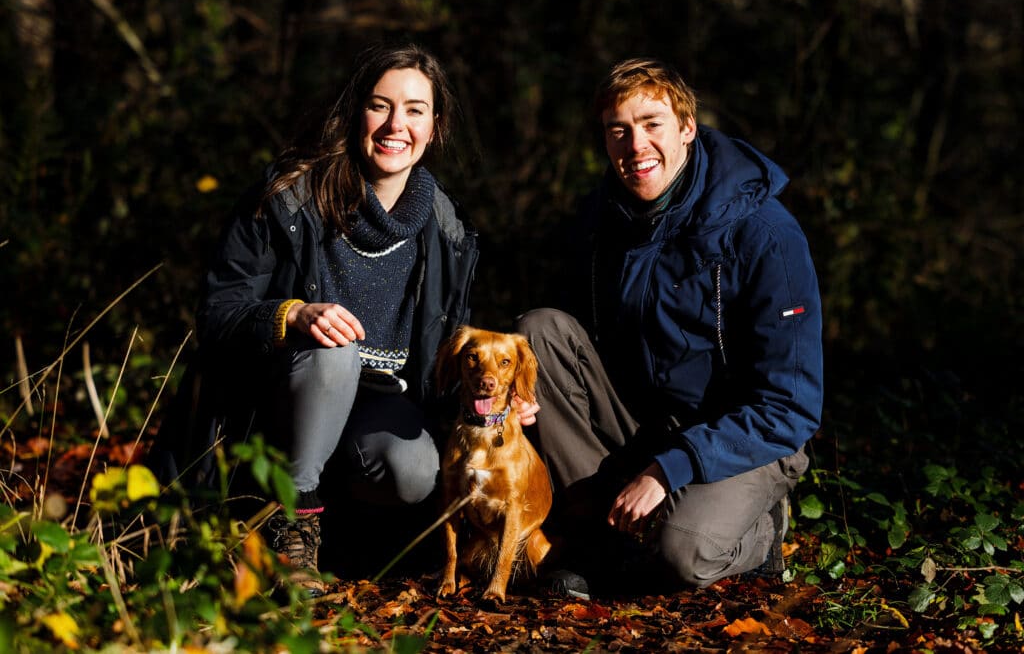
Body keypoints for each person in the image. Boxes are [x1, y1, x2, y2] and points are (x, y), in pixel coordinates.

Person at [156, 42, 484, 597]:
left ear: (436, 127)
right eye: (380, 106)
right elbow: (217, 312)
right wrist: (291, 314)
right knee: (335, 353)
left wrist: (495, 397)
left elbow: (443, 359)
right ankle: (289, 528)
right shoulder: (288, 197)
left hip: (378, 405)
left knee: (412, 470)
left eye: (415, 110)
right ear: (355, 112)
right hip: (275, 403)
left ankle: (341, 538)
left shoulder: (447, 229)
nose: (395, 125)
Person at [516, 57, 824, 597]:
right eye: (618, 130)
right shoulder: (602, 219)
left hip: (748, 437)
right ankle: (596, 538)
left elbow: (791, 406)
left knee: (683, 554)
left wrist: (671, 467)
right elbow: (568, 344)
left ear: (687, 128)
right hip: (645, 423)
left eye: (652, 124)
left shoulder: (765, 233)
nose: (636, 146)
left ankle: (762, 534)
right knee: (538, 331)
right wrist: (523, 389)